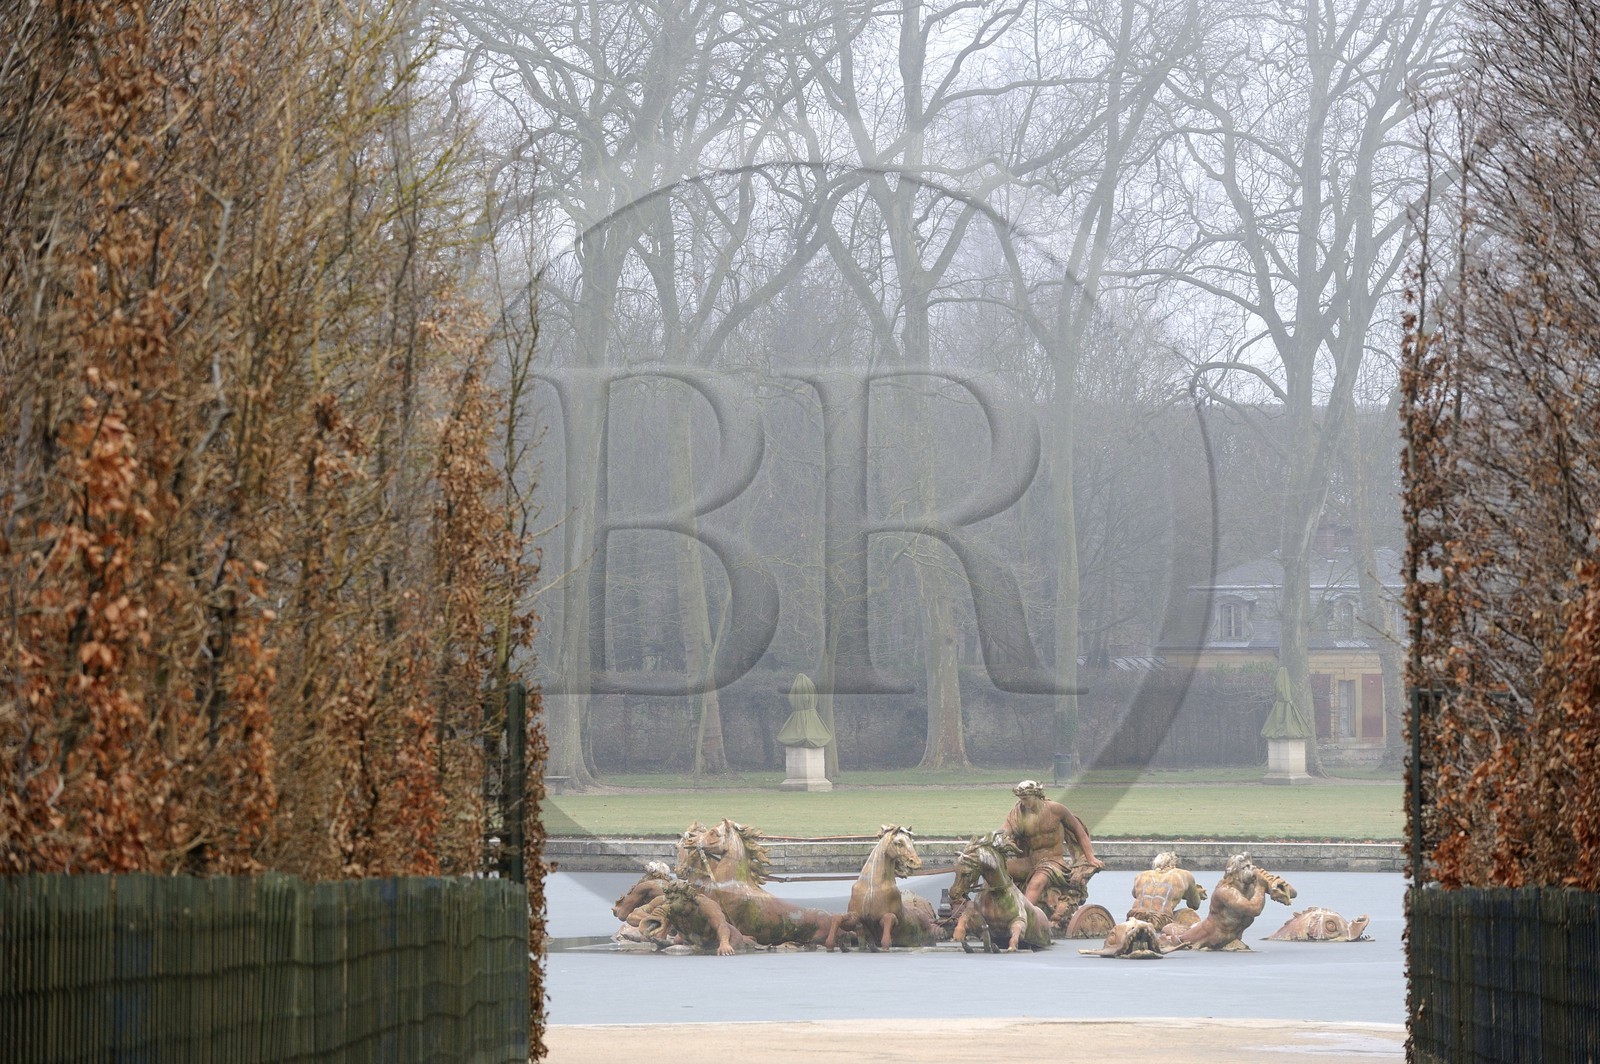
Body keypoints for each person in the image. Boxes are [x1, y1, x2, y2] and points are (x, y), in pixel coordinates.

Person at [1000, 779, 1104, 920]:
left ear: (1036, 795)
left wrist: (1090, 857)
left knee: (1036, 883)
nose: (1023, 802)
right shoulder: (1018, 813)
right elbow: (1003, 832)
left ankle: (1022, 918)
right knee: (998, 869)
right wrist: (991, 841)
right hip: (1031, 861)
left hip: (1053, 862)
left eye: (1026, 798)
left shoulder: (1056, 810)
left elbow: (1079, 831)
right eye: (1021, 798)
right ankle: (996, 911)